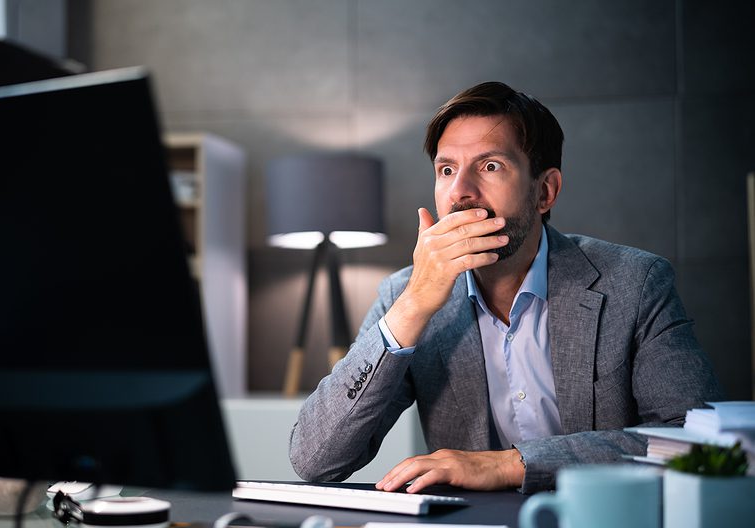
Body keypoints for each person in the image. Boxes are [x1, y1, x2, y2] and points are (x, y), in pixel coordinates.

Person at [288, 81, 723, 494]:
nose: (460, 192)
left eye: (490, 166)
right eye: (446, 170)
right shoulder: (404, 298)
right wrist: (413, 307)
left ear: (545, 191)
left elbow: (696, 444)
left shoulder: (635, 281)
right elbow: (316, 460)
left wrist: (506, 464)